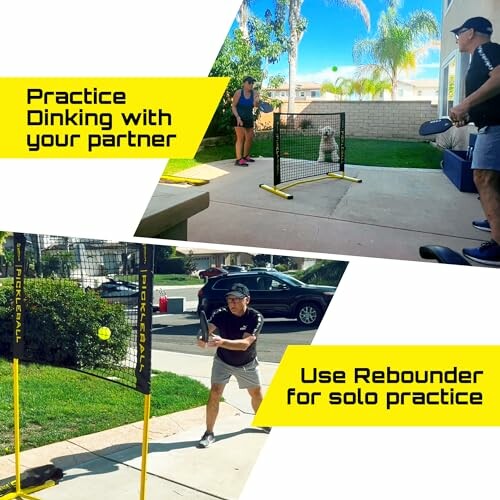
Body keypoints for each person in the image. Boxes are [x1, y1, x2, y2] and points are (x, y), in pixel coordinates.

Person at [449, 16, 500, 266]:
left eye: (458, 33)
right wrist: (469, 114)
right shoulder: (478, 57)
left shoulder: (486, 50)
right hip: (489, 125)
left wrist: (465, 103)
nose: (457, 38)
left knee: (484, 177)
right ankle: (494, 221)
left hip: (497, 129)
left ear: (470, 32)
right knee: (492, 178)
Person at [196, 283, 267, 448]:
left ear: (247, 300)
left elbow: (244, 344)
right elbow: (206, 329)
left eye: (236, 299)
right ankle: (208, 433)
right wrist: (201, 337)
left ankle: (263, 421)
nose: (232, 303)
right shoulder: (221, 313)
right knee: (215, 392)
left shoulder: (255, 317)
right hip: (223, 361)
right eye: (229, 299)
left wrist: (221, 342)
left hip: (247, 363)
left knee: (256, 393)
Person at [231, 76, 260, 167]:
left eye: (252, 83)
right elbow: (233, 106)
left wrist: (256, 101)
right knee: (241, 138)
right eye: (249, 82)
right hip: (238, 117)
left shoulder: (255, 93)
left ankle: (246, 156)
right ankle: (239, 159)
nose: (251, 84)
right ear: (244, 83)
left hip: (248, 118)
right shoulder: (239, 93)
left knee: (249, 137)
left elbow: (255, 106)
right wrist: (238, 117)